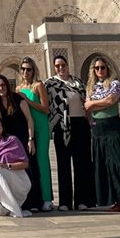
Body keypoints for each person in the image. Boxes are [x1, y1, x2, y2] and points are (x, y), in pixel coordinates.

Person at [85, 59, 120, 213]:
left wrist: (94, 103)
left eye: (102, 67)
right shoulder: (91, 87)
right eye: (97, 68)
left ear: (108, 69)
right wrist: (102, 102)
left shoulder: (114, 84)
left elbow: (112, 100)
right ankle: (116, 202)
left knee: (119, 162)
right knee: (104, 165)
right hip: (98, 128)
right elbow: (87, 106)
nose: (100, 70)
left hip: (113, 126)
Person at [46, 53, 93, 211]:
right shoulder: (50, 84)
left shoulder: (78, 82)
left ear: (67, 65)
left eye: (63, 65)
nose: (61, 68)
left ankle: (82, 200)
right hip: (62, 126)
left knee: (81, 163)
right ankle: (65, 202)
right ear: (54, 67)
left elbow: (87, 101)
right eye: (57, 66)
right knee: (63, 163)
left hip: (80, 123)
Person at [0, 73, 38, 211]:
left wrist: (31, 139)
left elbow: (29, 119)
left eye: (2, 85)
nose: (1, 88)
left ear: (7, 85)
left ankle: (33, 203)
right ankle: (15, 202)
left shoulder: (18, 99)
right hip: (9, 144)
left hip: (23, 140)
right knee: (12, 173)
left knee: (29, 170)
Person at [17, 56, 53, 211]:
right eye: (23, 69)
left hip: (41, 126)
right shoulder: (18, 89)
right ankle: (34, 198)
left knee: (42, 160)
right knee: (31, 163)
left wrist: (27, 100)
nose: (26, 72)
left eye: (29, 69)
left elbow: (45, 108)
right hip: (28, 127)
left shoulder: (38, 85)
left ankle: (47, 198)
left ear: (33, 71)